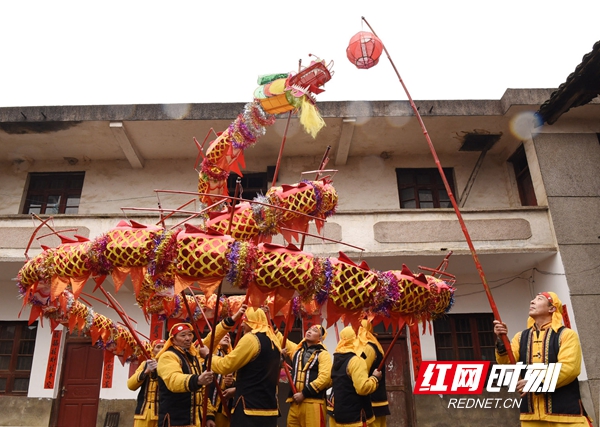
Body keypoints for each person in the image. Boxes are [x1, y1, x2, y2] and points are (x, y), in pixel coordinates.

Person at [494, 292, 592, 426]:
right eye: (533, 299)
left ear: (552, 308)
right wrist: (501, 340)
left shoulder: (566, 335)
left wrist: (534, 381)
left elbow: (570, 368)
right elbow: (507, 362)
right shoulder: (520, 337)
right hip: (531, 416)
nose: (532, 301)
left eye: (539, 299)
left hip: (566, 415)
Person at [156, 304, 246, 427]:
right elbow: (173, 380)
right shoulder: (168, 356)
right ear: (173, 340)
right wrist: (197, 380)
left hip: (196, 421)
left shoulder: (194, 357)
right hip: (176, 420)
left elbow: (203, 392)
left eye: (190, 334)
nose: (188, 338)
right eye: (183, 335)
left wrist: (208, 416)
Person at [210, 307, 282, 427]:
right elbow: (260, 377)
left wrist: (208, 357)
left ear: (252, 321)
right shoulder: (274, 341)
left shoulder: (251, 339)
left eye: (245, 320)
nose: (242, 324)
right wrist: (237, 390)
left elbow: (225, 366)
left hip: (248, 410)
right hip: (269, 410)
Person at [278, 323, 332, 427]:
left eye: (315, 331)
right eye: (309, 329)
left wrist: (304, 394)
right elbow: (282, 339)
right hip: (295, 403)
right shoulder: (297, 351)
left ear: (320, 338)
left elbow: (325, 378)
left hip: (314, 404)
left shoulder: (323, 354)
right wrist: (270, 322)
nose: (309, 331)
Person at [330, 325, 381, 427]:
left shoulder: (337, 360)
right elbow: (362, 388)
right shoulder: (356, 360)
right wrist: (375, 378)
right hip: (357, 417)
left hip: (340, 417)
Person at [358, 319, 390, 427]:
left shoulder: (367, 347)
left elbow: (361, 372)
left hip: (372, 401)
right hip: (377, 399)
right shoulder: (374, 345)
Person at [127, 339, 166, 427]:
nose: (160, 349)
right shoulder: (145, 364)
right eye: (158, 347)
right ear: (152, 350)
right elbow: (130, 385)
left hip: (162, 413)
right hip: (143, 412)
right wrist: (146, 371)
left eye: (163, 347)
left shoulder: (171, 364)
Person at [208, 332, 236, 427]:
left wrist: (232, 383)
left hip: (224, 408)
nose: (227, 336)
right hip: (208, 405)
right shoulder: (208, 353)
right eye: (223, 334)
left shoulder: (232, 358)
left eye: (228, 335)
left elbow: (239, 379)